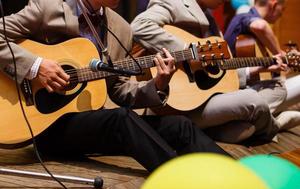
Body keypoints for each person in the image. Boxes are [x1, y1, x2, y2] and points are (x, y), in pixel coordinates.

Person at [0, 0, 229, 173]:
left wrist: (159, 83)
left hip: (90, 125)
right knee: (120, 119)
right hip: (43, 126)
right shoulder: (48, 7)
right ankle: (179, 178)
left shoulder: (121, 28)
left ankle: (237, 175)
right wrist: (36, 66)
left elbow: (120, 90)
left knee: (180, 125)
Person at [131, 0, 288, 143]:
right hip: (178, 105)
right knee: (252, 99)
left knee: (277, 89)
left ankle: (217, 129)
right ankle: (274, 126)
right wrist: (189, 52)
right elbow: (140, 26)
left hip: (207, 96)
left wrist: (254, 71)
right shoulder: (174, 3)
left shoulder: (210, 20)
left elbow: (220, 70)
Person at [224, 0, 300, 130]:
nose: (281, 15)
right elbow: (260, 26)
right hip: (235, 95)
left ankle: (266, 120)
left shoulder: (249, 31)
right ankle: (267, 123)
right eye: (282, 10)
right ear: (274, 4)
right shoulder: (244, 17)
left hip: (246, 91)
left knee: (278, 84)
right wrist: (281, 54)